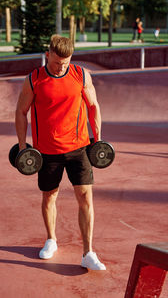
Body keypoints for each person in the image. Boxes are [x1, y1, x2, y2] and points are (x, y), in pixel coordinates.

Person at [15, 34, 106, 271]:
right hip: (47, 152)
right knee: (49, 196)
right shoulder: (34, 79)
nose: (60, 67)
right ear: (48, 55)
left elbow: (94, 106)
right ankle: (51, 240)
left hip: (79, 148)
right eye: (56, 62)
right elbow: (20, 111)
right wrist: (23, 146)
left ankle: (88, 252)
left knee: (86, 197)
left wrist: (98, 139)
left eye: (65, 63)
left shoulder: (81, 75)